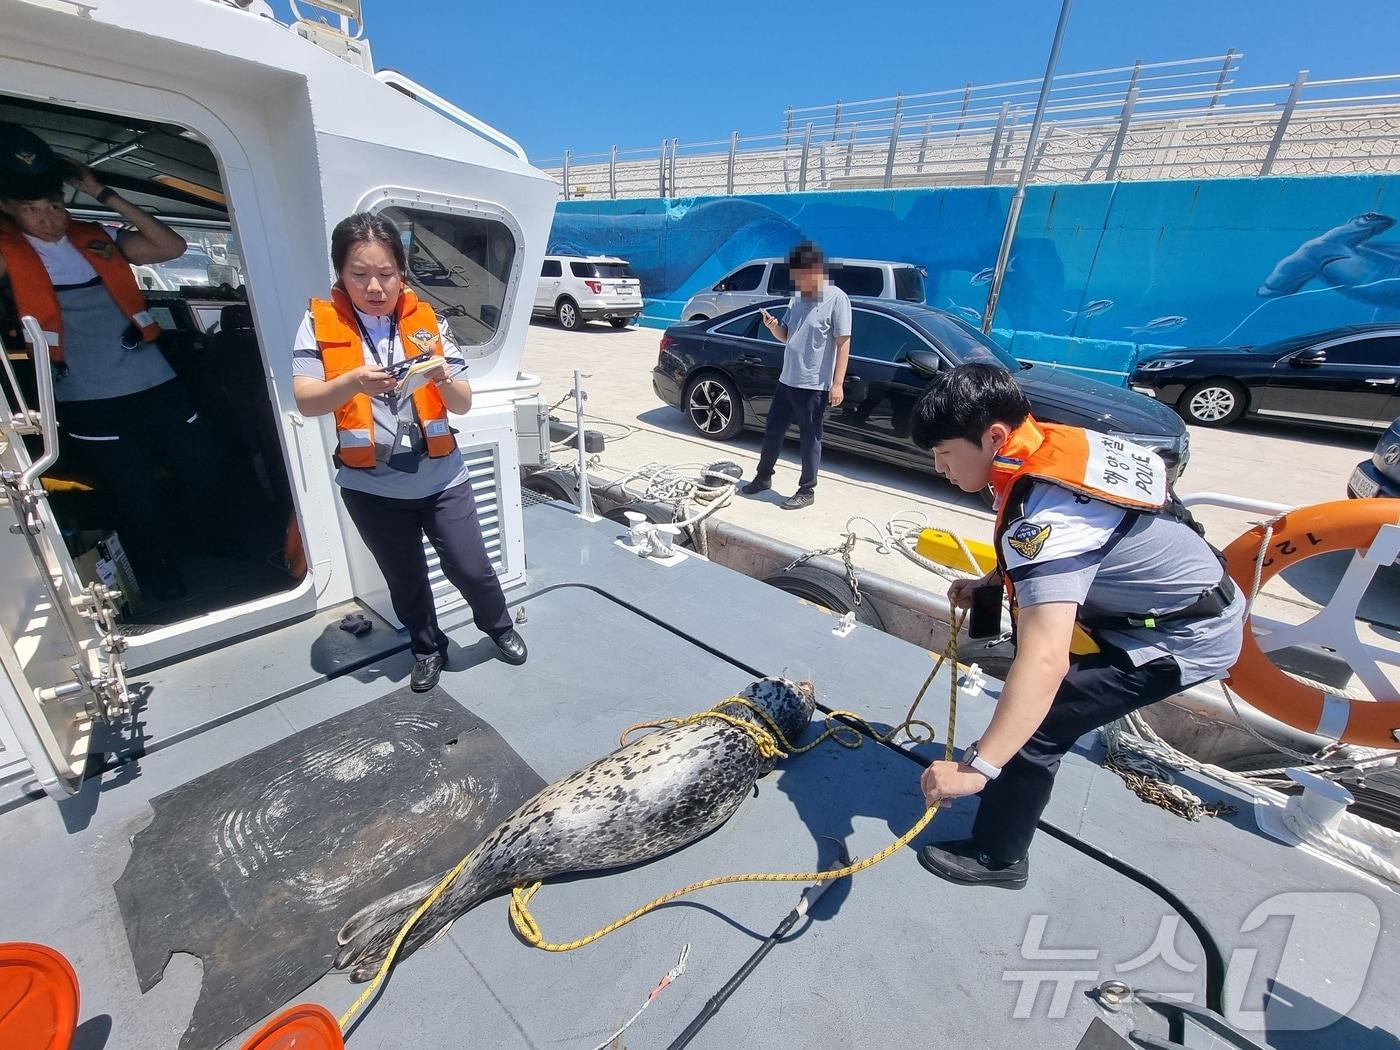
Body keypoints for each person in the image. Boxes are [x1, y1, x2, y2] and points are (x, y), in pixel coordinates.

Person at [911, 364, 1245, 889]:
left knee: (1037, 729)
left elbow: (1045, 659)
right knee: (1035, 710)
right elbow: (1075, 544)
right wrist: (992, 582)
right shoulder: (1045, 444)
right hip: (1181, 602)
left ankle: (998, 858)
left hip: (1182, 636)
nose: (940, 468)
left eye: (946, 454)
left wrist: (979, 766)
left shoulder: (1051, 518)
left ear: (993, 437)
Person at [292, 212, 526, 693]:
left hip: (442, 478)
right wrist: (353, 380)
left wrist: (443, 376)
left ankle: (499, 627)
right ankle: (426, 647)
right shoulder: (316, 325)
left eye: (386, 274)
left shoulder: (431, 322)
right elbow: (306, 400)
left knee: (470, 565)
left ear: (402, 273)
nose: (374, 286)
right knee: (405, 578)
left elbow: (461, 404)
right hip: (371, 486)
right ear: (340, 273)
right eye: (359, 274)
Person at [0, 122, 231, 600]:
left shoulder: (97, 237)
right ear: (9, 210)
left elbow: (171, 247)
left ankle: (217, 544)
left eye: (55, 207)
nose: (49, 219)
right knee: (133, 498)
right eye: (33, 210)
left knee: (202, 470)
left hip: (157, 384)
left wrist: (102, 192)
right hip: (91, 399)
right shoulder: (10, 256)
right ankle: (161, 578)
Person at [740, 241, 851, 511]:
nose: (799, 281)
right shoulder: (798, 297)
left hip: (814, 384)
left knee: (810, 438)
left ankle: (807, 489)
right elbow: (787, 335)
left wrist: (837, 384)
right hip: (787, 380)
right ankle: (763, 478)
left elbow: (844, 342)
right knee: (773, 432)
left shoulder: (837, 298)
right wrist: (773, 327)